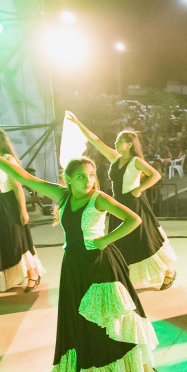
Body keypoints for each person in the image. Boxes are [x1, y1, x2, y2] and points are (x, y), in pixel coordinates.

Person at [0, 137, 160, 372]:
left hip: (101, 266)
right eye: (82, 177)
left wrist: (106, 240)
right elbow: (20, 175)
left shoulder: (99, 199)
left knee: (119, 322)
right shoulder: (63, 195)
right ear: (68, 179)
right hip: (73, 267)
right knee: (85, 326)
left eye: (92, 175)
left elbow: (134, 219)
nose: (89, 181)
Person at [67, 112, 178, 290]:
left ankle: (169, 271)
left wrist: (138, 189)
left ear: (129, 145)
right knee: (121, 243)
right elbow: (96, 140)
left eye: (119, 141)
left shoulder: (135, 161)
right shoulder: (115, 158)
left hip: (134, 205)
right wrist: (79, 123)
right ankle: (123, 276)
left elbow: (155, 175)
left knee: (146, 242)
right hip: (118, 204)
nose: (116, 143)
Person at [0, 128, 45, 296]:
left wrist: (23, 211)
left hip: (6, 204)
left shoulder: (8, 159)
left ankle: (32, 274)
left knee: (16, 240)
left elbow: (17, 185)